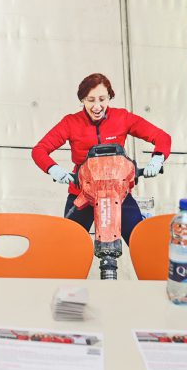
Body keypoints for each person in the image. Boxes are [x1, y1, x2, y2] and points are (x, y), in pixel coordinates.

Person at [31, 73, 171, 243]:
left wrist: (157, 159)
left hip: (118, 193)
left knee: (141, 242)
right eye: (90, 100)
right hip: (82, 193)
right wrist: (54, 169)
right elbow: (39, 150)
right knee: (69, 246)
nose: (97, 106)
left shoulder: (122, 117)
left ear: (109, 97)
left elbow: (162, 137)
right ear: (82, 99)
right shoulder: (71, 122)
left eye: (102, 99)